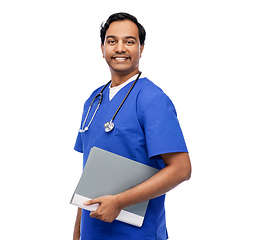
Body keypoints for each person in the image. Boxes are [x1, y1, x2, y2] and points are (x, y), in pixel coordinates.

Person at [73, 12, 191, 240]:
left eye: (129, 41)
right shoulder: (93, 100)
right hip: (92, 233)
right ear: (102, 48)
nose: (120, 48)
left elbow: (181, 169)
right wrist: (77, 234)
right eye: (112, 41)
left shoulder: (152, 99)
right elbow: (87, 176)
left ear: (141, 48)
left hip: (137, 234)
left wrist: (119, 201)